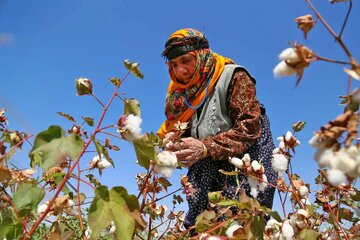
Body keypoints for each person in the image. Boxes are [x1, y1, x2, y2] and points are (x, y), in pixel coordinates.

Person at [157, 28, 276, 230]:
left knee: (239, 227)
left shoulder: (234, 76)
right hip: (205, 175)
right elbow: (188, 134)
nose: (180, 71)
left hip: (243, 170)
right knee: (201, 229)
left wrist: (205, 148)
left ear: (202, 54)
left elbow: (249, 127)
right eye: (174, 65)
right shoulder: (181, 96)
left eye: (186, 60)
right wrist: (174, 140)